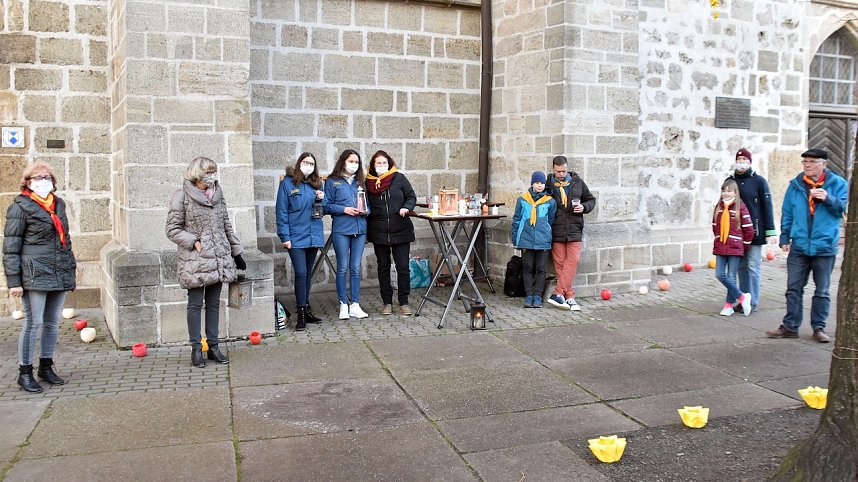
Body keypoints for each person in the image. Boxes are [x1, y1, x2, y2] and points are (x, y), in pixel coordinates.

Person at [3, 161, 77, 393]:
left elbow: (65, 239)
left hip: (58, 271)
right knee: (33, 323)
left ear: (53, 181)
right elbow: (11, 247)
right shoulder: (20, 207)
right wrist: (14, 282)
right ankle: (25, 372)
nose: (42, 181)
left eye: (46, 177)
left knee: (52, 323)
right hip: (34, 273)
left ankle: (46, 366)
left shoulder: (59, 204)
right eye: (37, 177)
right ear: (27, 182)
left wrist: (70, 267)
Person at [166, 157, 245, 368]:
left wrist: (236, 252)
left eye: (214, 171)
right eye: (209, 172)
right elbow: (172, 229)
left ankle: (214, 346)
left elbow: (226, 224)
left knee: (213, 304)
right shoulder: (181, 196)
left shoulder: (218, 195)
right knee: (194, 305)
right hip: (195, 260)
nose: (212, 175)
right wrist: (194, 242)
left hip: (218, 258)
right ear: (197, 174)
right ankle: (196, 348)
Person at [767, 149, 848, 343]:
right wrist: (785, 236)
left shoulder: (838, 184)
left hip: (824, 246)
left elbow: (842, 209)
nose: (807, 165)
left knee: (822, 290)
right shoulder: (795, 185)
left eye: (812, 162)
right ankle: (790, 326)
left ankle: (819, 328)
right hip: (800, 246)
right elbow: (787, 212)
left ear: (824, 164)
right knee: (793, 288)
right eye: (805, 162)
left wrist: (828, 198)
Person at [276, 152, 326, 331]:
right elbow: (281, 212)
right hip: (296, 236)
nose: (309, 166)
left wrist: (322, 198)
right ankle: (301, 312)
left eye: (312, 164)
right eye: (306, 162)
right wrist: (285, 237)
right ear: (299, 164)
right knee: (301, 273)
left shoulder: (317, 184)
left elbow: (324, 209)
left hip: (313, 235)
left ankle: (306, 309)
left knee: (307, 274)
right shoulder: (287, 184)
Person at [365, 150, 417, 316]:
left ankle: (404, 302)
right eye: (378, 163)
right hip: (379, 231)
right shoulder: (368, 182)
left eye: (384, 163)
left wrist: (406, 207)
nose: (381, 166)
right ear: (373, 165)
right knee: (383, 267)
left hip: (401, 230)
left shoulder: (399, 178)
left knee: (403, 268)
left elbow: (411, 196)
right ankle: (387, 302)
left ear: (390, 164)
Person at [728, 148, 777, 313]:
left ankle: (754, 301)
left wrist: (770, 231)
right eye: (739, 159)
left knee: (753, 266)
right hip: (736, 232)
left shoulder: (759, 181)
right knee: (741, 267)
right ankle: (743, 299)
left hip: (755, 231)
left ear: (749, 162)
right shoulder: (730, 181)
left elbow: (767, 207)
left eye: (744, 159)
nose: (741, 162)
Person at [544, 156, 596, 311]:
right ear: (553, 168)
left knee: (572, 260)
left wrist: (584, 207)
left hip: (574, 228)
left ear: (567, 168)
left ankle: (558, 292)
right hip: (556, 229)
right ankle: (570, 296)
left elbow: (591, 200)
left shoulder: (578, 183)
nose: (561, 174)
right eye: (558, 171)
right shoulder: (548, 186)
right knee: (560, 264)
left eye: (564, 171)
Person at [324, 149, 371, 320]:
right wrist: (344, 209)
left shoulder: (361, 182)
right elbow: (326, 206)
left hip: (359, 229)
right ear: (343, 162)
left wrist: (365, 211)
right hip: (342, 229)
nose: (354, 165)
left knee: (356, 268)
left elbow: (368, 206)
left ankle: (355, 305)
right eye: (351, 161)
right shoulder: (332, 181)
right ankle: (343, 303)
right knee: (343, 267)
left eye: (357, 162)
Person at [511, 172, 557, 308]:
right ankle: (529, 295)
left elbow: (551, 220)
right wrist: (515, 239)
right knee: (528, 268)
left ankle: (538, 295)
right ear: (532, 183)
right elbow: (516, 219)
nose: (539, 185)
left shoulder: (550, 201)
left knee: (541, 268)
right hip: (526, 239)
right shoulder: (522, 200)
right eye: (537, 182)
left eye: (542, 183)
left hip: (543, 240)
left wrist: (547, 234)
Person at [711, 179, 755, 317]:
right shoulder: (719, 207)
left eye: (729, 191)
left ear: (735, 192)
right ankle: (742, 297)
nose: (726, 193)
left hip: (735, 246)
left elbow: (749, 229)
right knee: (719, 274)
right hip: (721, 245)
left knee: (731, 276)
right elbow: (714, 226)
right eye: (724, 190)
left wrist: (745, 244)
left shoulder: (740, 207)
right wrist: (719, 238)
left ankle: (728, 305)